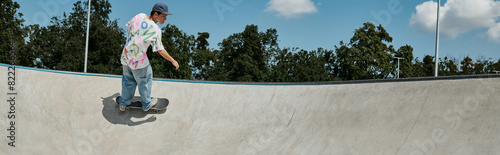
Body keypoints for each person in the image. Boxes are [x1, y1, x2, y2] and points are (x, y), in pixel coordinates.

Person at [117, 2, 179, 112]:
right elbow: (160, 50)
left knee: (128, 81)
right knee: (144, 81)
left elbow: (128, 28)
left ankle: (124, 103)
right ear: (156, 14)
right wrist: (172, 60)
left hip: (126, 56)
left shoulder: (139, 16)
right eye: (163, 16)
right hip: (138, 61)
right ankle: (146, 103)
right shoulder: (156, 29)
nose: (165, 19)